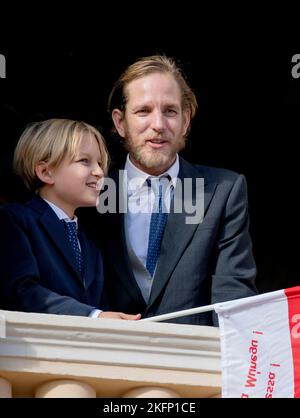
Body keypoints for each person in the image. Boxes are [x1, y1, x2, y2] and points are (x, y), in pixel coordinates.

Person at [89, 55, 258, 326]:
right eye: (143, 111)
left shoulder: (223, 191)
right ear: (120, 123)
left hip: (193, 360)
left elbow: (232, 296)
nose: (158, 125)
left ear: (186, 120)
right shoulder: (94, 190)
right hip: (104, 357)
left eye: (170, 111)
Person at [0, 118, 140, 320]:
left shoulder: (90, 242)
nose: (100, 172)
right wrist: (94, 315)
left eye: (100, 163)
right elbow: (22, 290)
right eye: (85, 161)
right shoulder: (14, 220)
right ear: (46, 172)